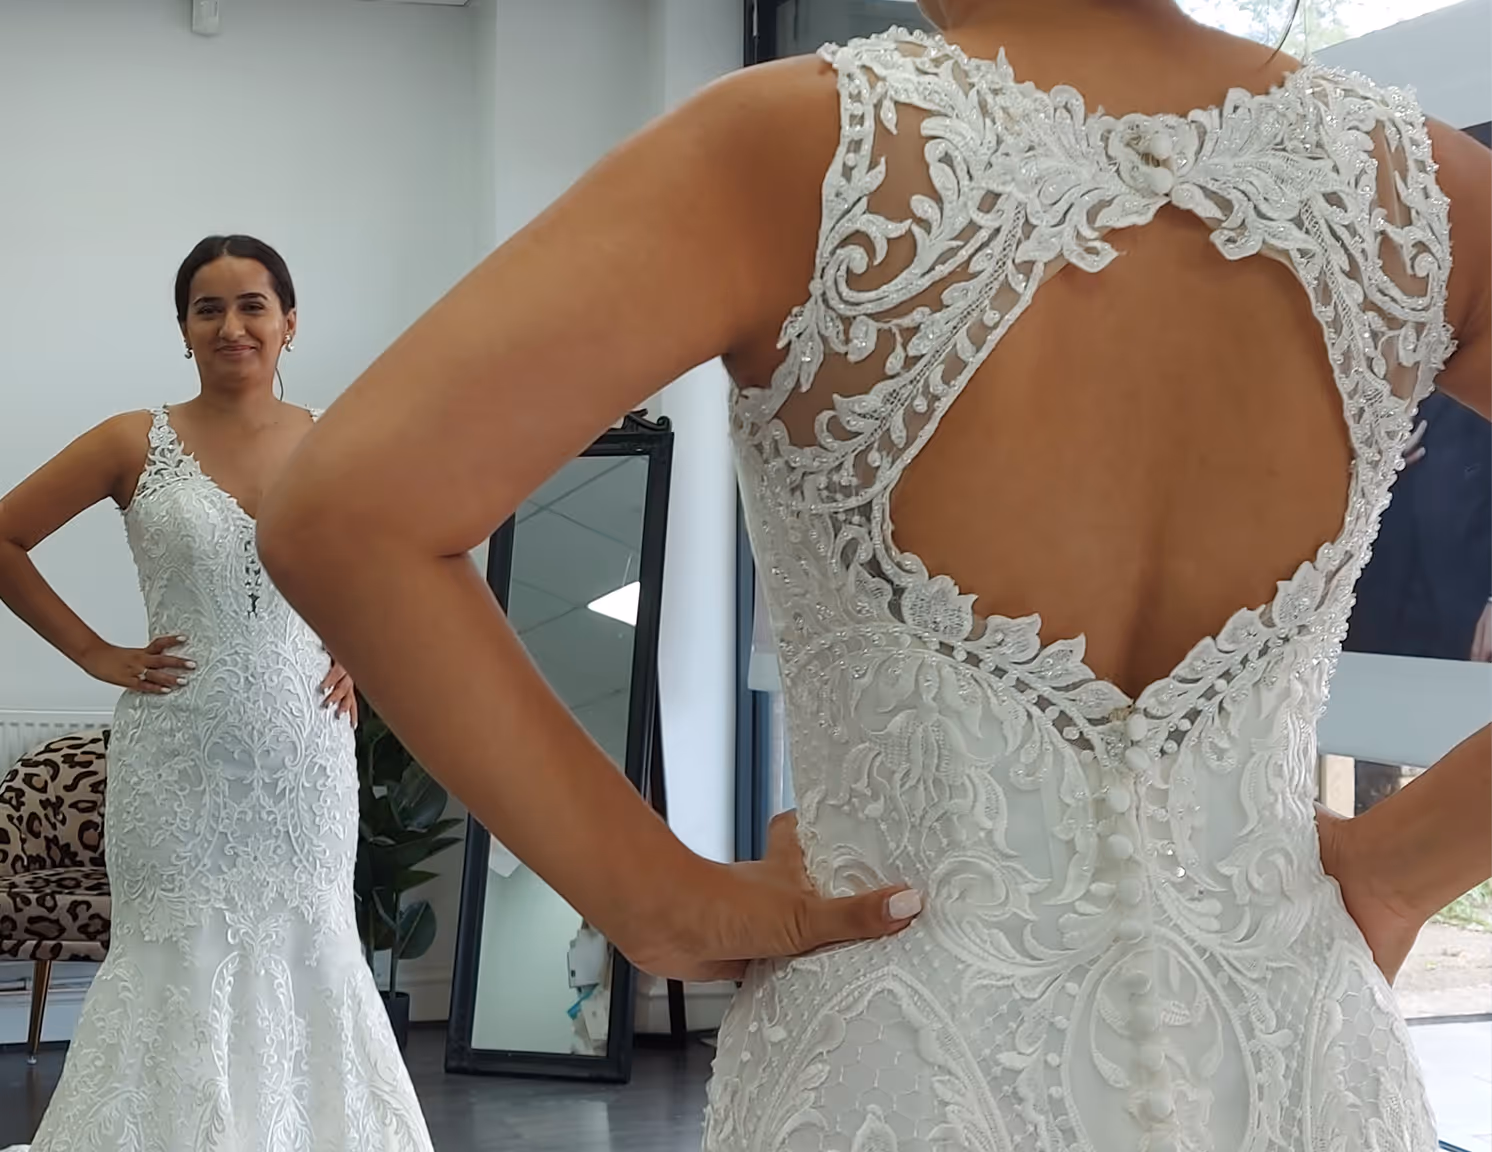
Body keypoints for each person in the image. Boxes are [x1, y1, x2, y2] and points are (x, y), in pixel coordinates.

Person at [258, 1, 1492, 1148]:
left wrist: (658, 902)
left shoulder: (795, 145)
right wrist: (1402, 865)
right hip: (1296, 1055)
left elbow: (346, 513)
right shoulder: (1422, 188)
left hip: (903, 1055)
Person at [0, 236, 432, 1151]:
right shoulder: (132, 441)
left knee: (311, 946)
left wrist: (359, 649)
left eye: (252, 305)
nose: (232, 325)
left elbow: (408, 559)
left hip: (303, 757)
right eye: (209, 308)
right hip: (176, 757)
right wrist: (91, 652)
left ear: (288, 323)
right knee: (173, 951)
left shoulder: (338, 442)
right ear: (184, 329)